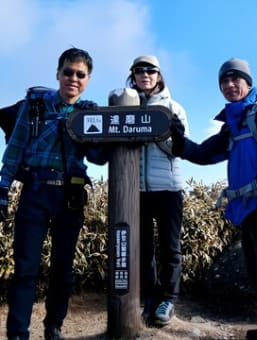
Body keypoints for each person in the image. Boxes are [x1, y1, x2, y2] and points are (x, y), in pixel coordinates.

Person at [171, 58, 257, 340]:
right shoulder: (236, 122)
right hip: (247, 205)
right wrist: (178, 140)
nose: (229, 85)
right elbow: (205, 154)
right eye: (224, 81)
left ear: (248, 83)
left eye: (235, 79)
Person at [0, 47, 106, 340]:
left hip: (70, 197)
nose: (73, 78)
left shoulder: (89, 112)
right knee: (25, 269)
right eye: (68, 72)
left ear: (88, 79)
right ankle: (18, 333)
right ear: (58, 73)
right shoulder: (35, 104)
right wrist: (3, 189)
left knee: (63, 269)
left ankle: (53, 327)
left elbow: (98, 158)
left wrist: (100, 136)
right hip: (35, 191)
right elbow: (15, 148)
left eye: (80, 74)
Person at [126, 55, 189, 326]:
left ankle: (168, 299)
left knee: (169, 247)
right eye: (139, 71)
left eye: (151, 70)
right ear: (134, 76)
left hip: (168, 188)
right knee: (142, 248)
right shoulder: (125, 108)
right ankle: (150, 298)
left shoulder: (174, 108)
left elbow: (180, 151)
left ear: (159, 75)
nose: (145, 75)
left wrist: (161, 131)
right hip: (137, 189)